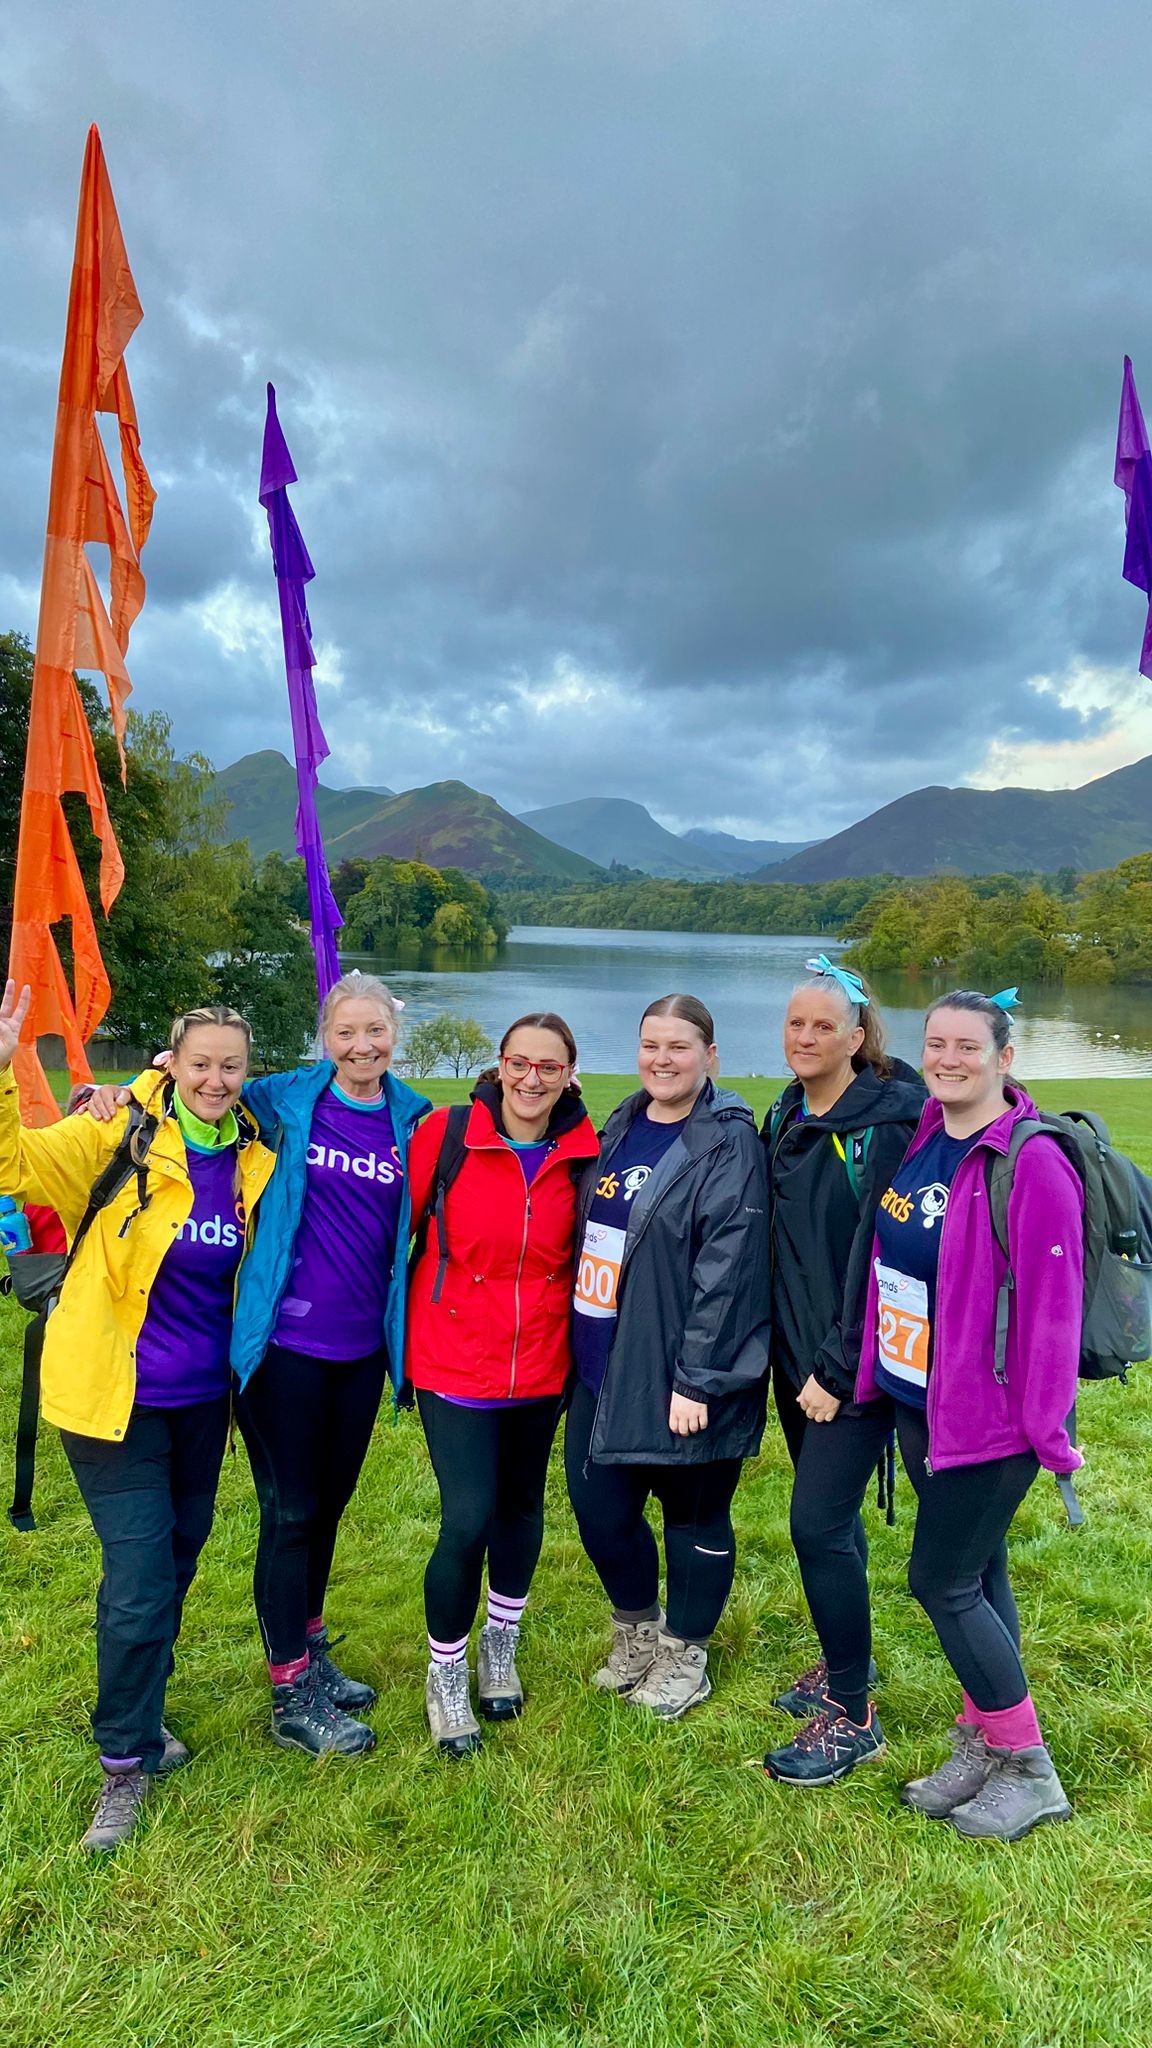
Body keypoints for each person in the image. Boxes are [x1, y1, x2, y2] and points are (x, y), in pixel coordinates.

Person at [89, 968, 430, 1759]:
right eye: (345, 1032)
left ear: (394, 1035)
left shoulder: (414, 1119)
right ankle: (289, 1689)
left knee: (330, 1508)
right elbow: (199, 1074)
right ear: (324, 1039)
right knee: (290, 1514)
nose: (361, 1046)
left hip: (361, 1352)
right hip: (284, 1350)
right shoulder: (282, 1098)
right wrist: (119, 1091)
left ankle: (309, 1646)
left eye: (374, 1031)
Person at [767, 989, 1081, 1842]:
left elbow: (1055, 1312)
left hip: (989, 1420)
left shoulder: (1029, 1160)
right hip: (914, 1399)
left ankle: (1030, 1767)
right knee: (977, 1578)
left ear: (1004, 1058)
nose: (947, 1058)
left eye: (967, 1046)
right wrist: (864, 1371)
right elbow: (882, 1266)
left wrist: (1046, 1435)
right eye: (937, 1043)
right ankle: (983, 1738)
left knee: (940, 1582)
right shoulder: (923, 1140)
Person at [0, 982, 275, 1852]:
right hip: (108, 1400)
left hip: (201, 1406)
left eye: (231, 1066)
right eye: (200, 1063)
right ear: (173, 1061)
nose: (216, 1080)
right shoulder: (115, 1131)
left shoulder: (252, 1155)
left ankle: (142, 1714)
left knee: (175, 1568)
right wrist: (4, 1066)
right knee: (140, 1579)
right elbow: (14, 1166)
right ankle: (124, 1764)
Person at [564, 994, 771, 1720]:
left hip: (683, 1374)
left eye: (679, 1046)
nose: (662, 1058)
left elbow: (730, 1270)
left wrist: (700, 1379)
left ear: (709, 1056)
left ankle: (686, 1653)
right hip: (603, 1363)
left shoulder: (727, 1143)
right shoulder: (623, 1121)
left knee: (692, 1517)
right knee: (600, 1512)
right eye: (651, 1043)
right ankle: (638, 1631)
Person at [406, 1012, 598, 1755]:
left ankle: (500, 1645)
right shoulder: (448, 1136)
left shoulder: (585, 1153)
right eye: (520, 1063)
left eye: (549, 1068)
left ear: (569, 1075)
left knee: (521, 1507)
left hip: (543, 1361)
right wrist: (150, 1085)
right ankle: (445, 1673)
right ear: (500, 1065)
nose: (531, 1080)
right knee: (468, 1517)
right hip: (455, 1358)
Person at [761, 956, 924, 1751]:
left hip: (850, 1365)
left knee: (816, 1526)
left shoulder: (883, 1125)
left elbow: (878, 1254)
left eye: (825, 1026)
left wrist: (838, 1366)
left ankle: (854, 1715)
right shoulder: (788, 1112)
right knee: (836, 1524)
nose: (807, 1036)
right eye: (797, 1022)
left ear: (857, 1038)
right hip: (794, 1359)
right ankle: (842, 1662)